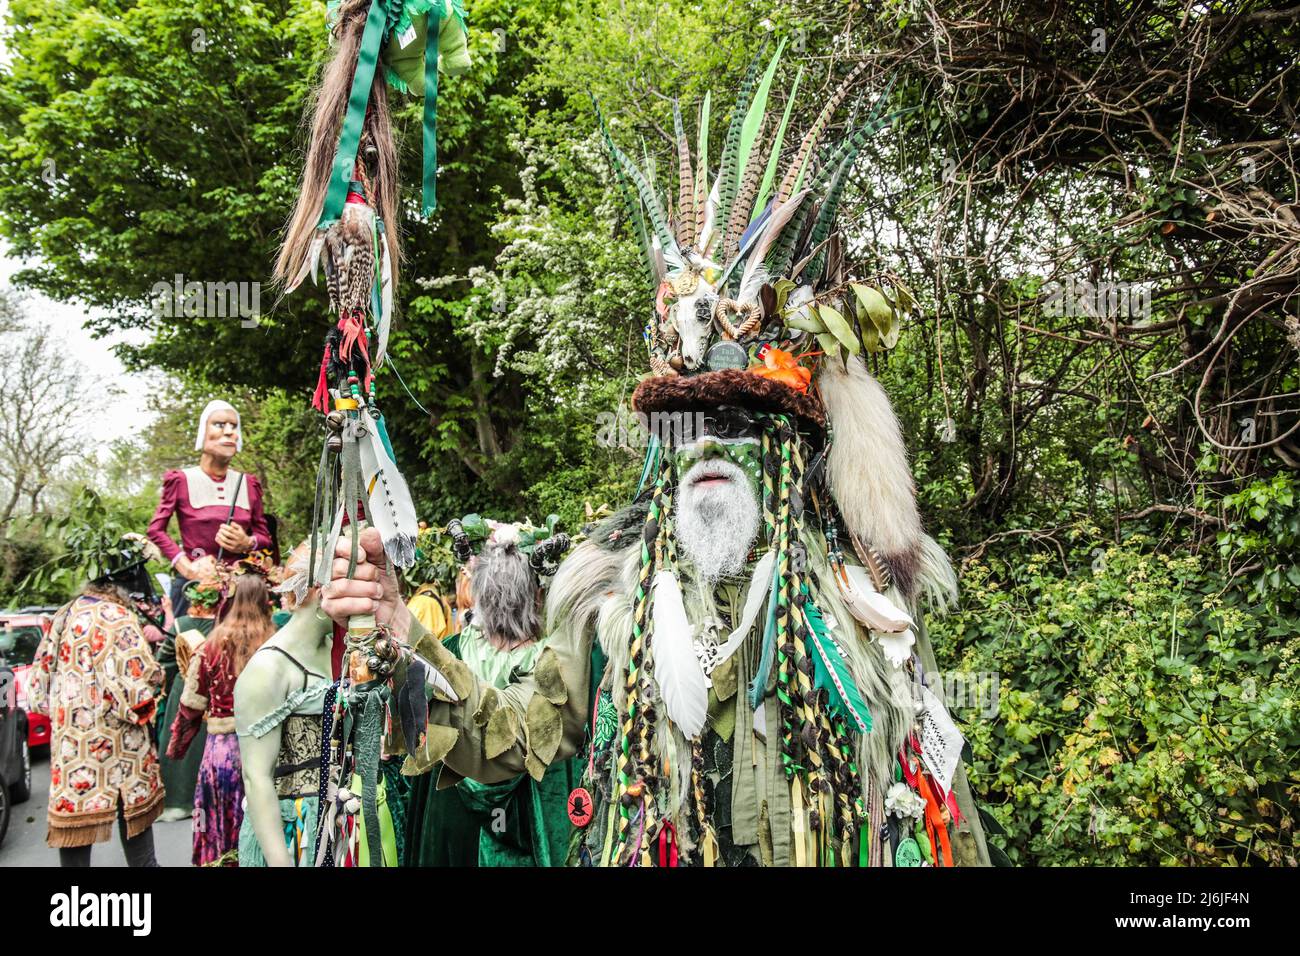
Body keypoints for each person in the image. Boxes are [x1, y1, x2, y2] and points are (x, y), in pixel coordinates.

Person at [320, 57, 992, 867]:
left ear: (788, 443)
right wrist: (405, 640)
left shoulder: (864, 596)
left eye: (736, 418)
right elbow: (511, 739)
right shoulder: (609, 594)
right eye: (684, 423)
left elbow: (935, 806)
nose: (707, 442)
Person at [404, 518, 578, 866]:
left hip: (453, 815)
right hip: (532, 820)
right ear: (537, 594)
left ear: (479, 592)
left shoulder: (447, 653)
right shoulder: (553, 665)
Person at [27, 535, 166, 867]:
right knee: (140, 849)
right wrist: (160, 676)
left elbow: (38, 683)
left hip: (73, 747)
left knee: (77, 834)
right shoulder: (117, 617)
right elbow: (135, 693)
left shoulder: (67, 611)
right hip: (119, 750)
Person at [233, 541, 333, 867]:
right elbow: (256, 777)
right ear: (320, 590)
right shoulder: (268, 670)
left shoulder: (340, 649)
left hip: (341, 823)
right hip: (295, 833)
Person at [167, 566, 275, 865]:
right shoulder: (274, 644)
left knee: (219, 828)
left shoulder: (211, 645)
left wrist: (177, 747)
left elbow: (191, 705)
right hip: (265, 749)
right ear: (266, 601)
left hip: (220, 754)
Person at [147, 399, 273, 615]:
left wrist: (247, 542)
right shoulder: (181, 480)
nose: (229, 432)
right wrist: (186, 567)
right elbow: (155, 530)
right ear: (203, 431)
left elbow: (265, 536)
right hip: (195, 588)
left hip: (242, 591)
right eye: (219, 424)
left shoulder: (249, 484)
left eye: (234, 427)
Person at [155, 575, 222, 823]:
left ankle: (177, 799)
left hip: (185, 689)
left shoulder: (180, 624)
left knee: (181, 741)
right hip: (213, 691)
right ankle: (207, 800)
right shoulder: (222, 624)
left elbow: (165, 661)